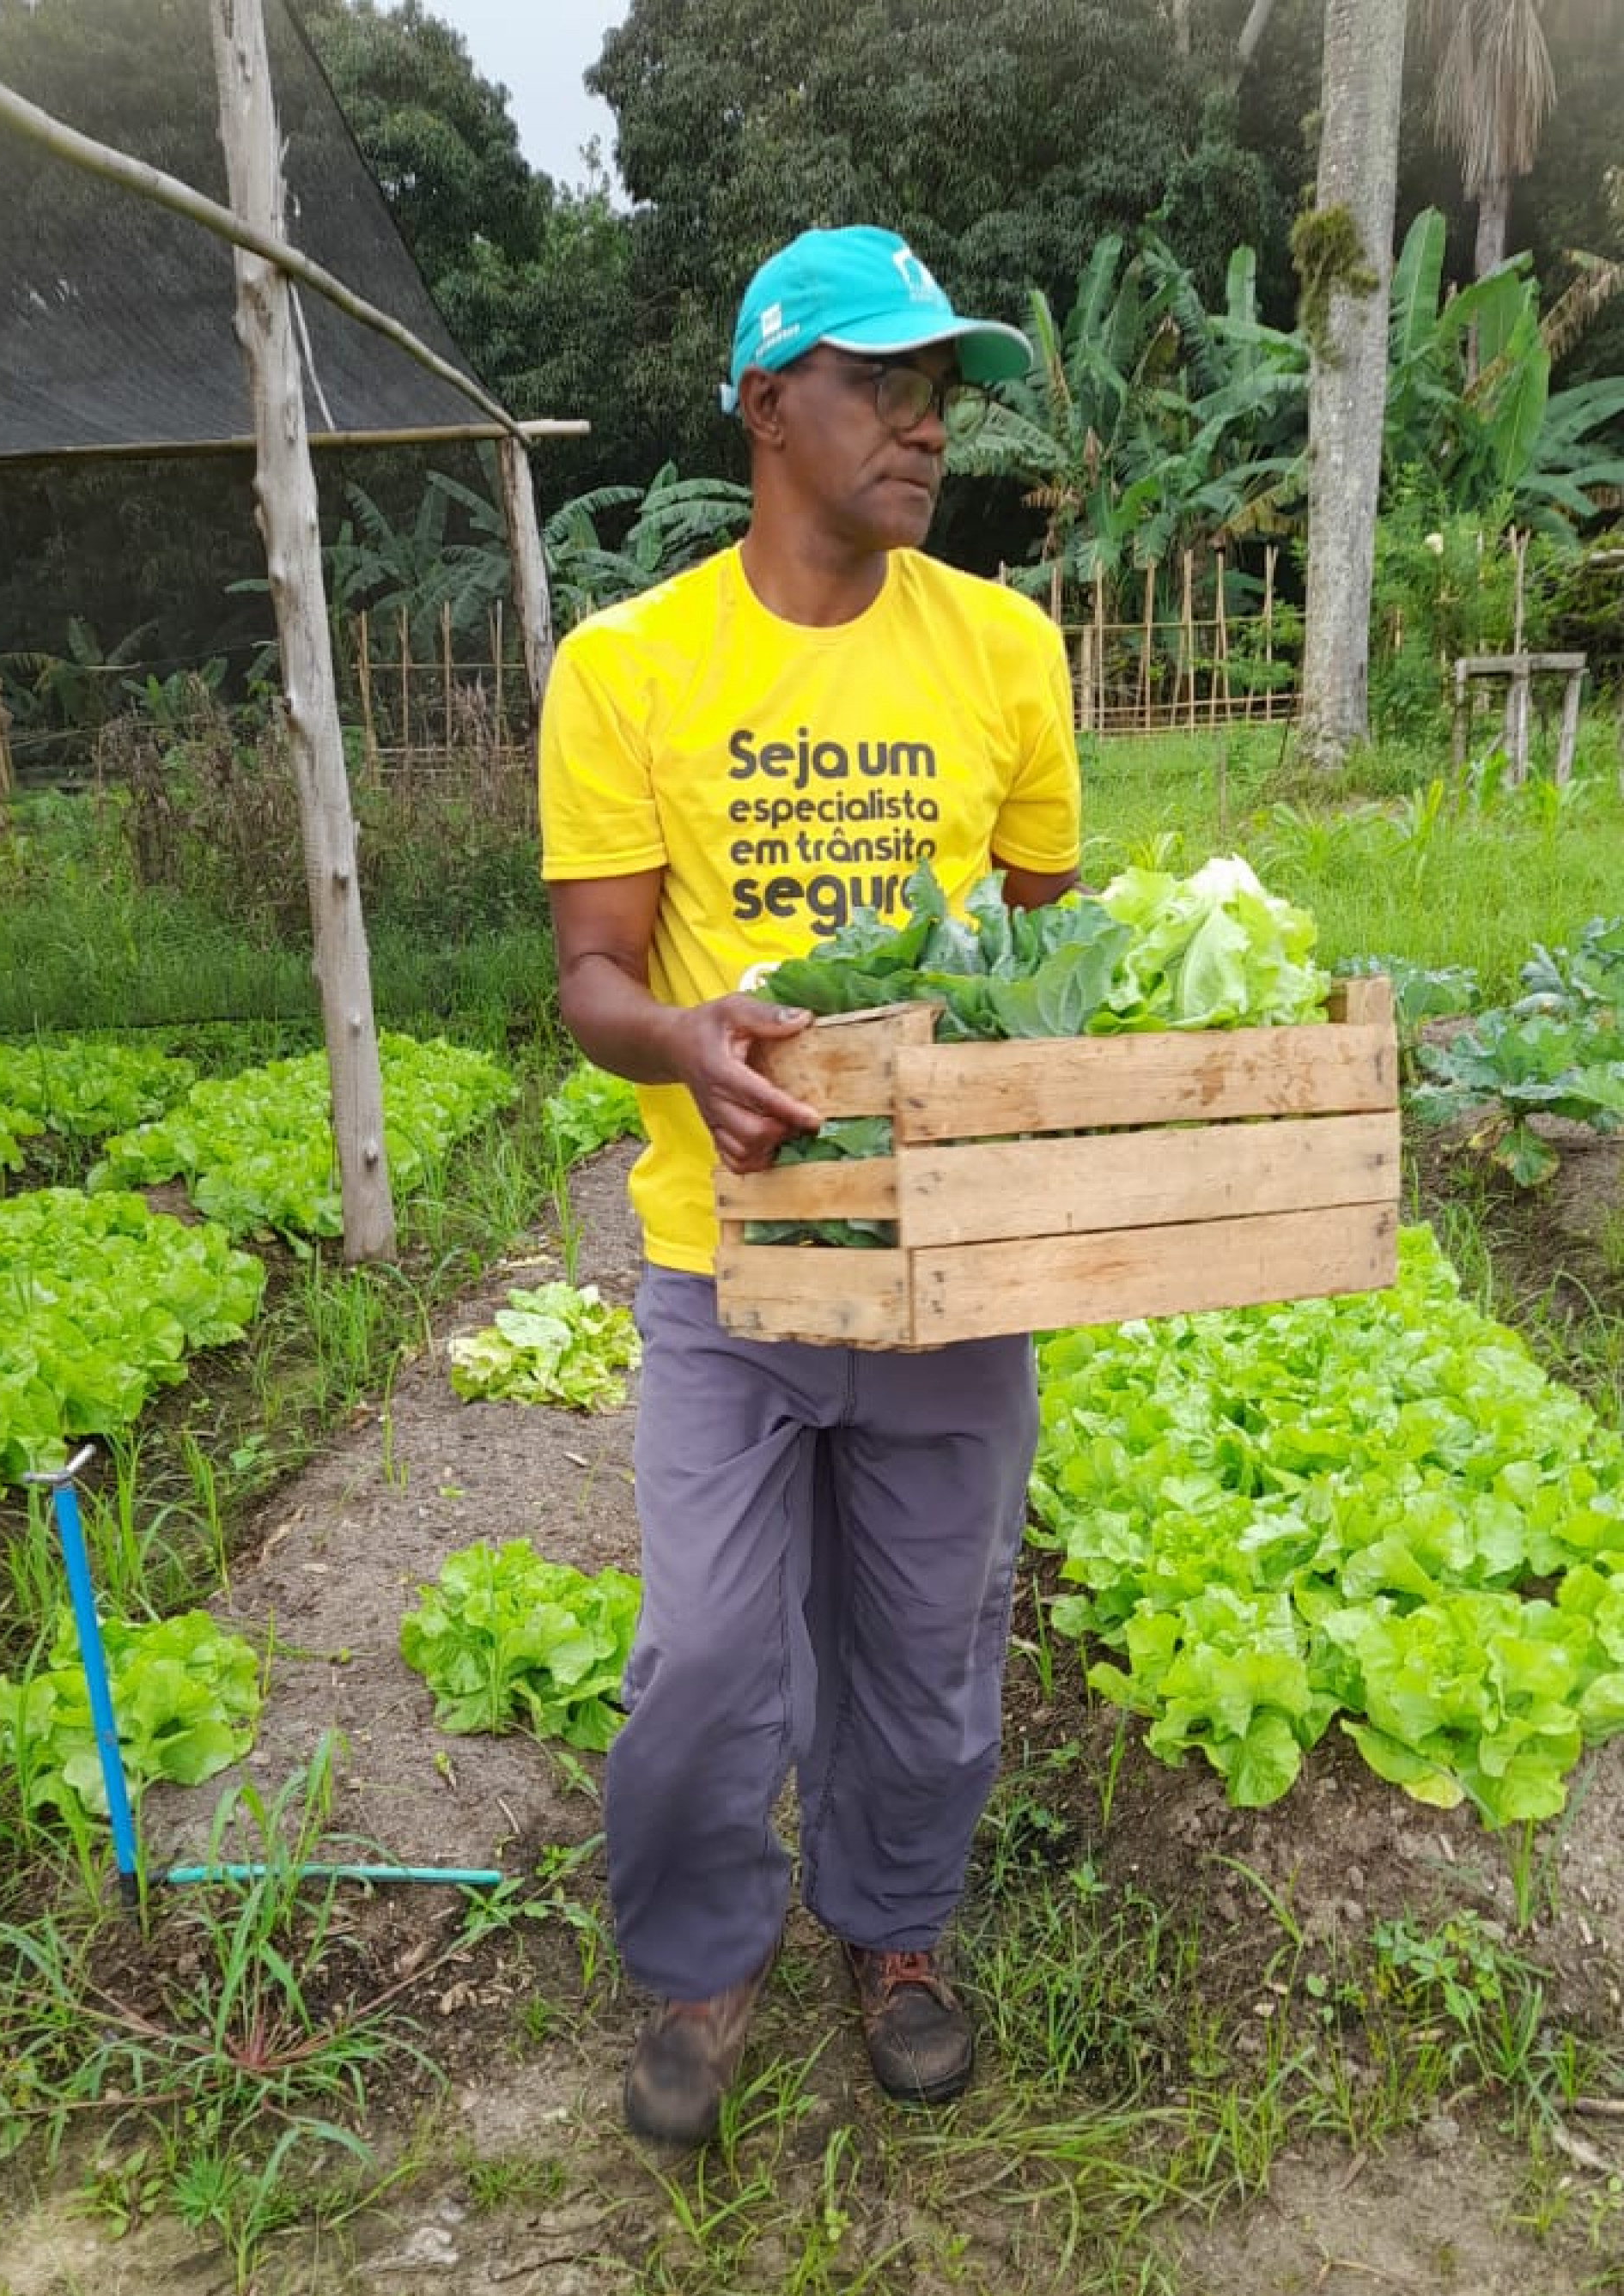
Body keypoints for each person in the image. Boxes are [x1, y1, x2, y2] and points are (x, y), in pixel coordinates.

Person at [538, 225, 1082, 2147]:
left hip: (946, 1267)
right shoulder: (630, 666)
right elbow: (594, 976)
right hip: (729, 1262)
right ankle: (705, 1957)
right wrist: (686, 1040)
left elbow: (1045, 955)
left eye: (943, 395)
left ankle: (895, 1926)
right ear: (771, 403)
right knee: (701, 1655)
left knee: (933, 1644)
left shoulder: (1007, 652)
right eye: (885, 384)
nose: (929, 427)